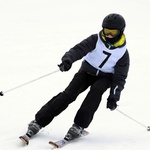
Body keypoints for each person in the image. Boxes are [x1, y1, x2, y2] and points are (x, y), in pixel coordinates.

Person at [20, 13, 130, 143]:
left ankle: (79, 126)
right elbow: (78, 50)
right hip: (87, 72)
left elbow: (120, 77)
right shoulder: (95, 40)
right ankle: (38, 121)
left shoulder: (123, 53)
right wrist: (68, 60)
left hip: (105, 78)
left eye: (113, 32)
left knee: (95, 92)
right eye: (106, 31)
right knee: (69, 94)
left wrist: (114, 96)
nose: (109, 35)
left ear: (120, 32)